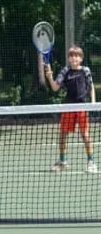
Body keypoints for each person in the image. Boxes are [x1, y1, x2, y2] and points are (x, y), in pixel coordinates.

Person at [45, 45, 97, 173]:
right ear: (69, 58)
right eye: (72, 55)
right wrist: (49, 77)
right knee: (62, 135)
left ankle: (91, 162)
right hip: (69, 107)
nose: (74, 58)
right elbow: (55, 88)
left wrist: (93, 101)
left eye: (77, 55)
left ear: (81, 58)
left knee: (85, 135)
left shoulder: (85, 70)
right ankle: (63, 161)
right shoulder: (65, 71)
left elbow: (91, 87)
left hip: (82, 107)